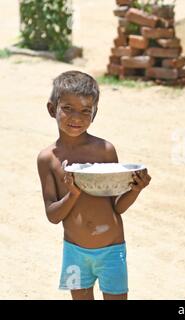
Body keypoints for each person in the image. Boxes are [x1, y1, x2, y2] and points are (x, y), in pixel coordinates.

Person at [37, 71, 151, 300]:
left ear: (94, 114)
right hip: (74, 252)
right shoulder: (47, 159)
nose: (76, 117)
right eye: (68, 108)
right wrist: (73, 194)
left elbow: (117, 207)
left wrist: (135, 188)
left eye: (85, 110)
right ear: (52, 109)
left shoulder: (105, 151)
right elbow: (52, 215)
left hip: (112, 249)